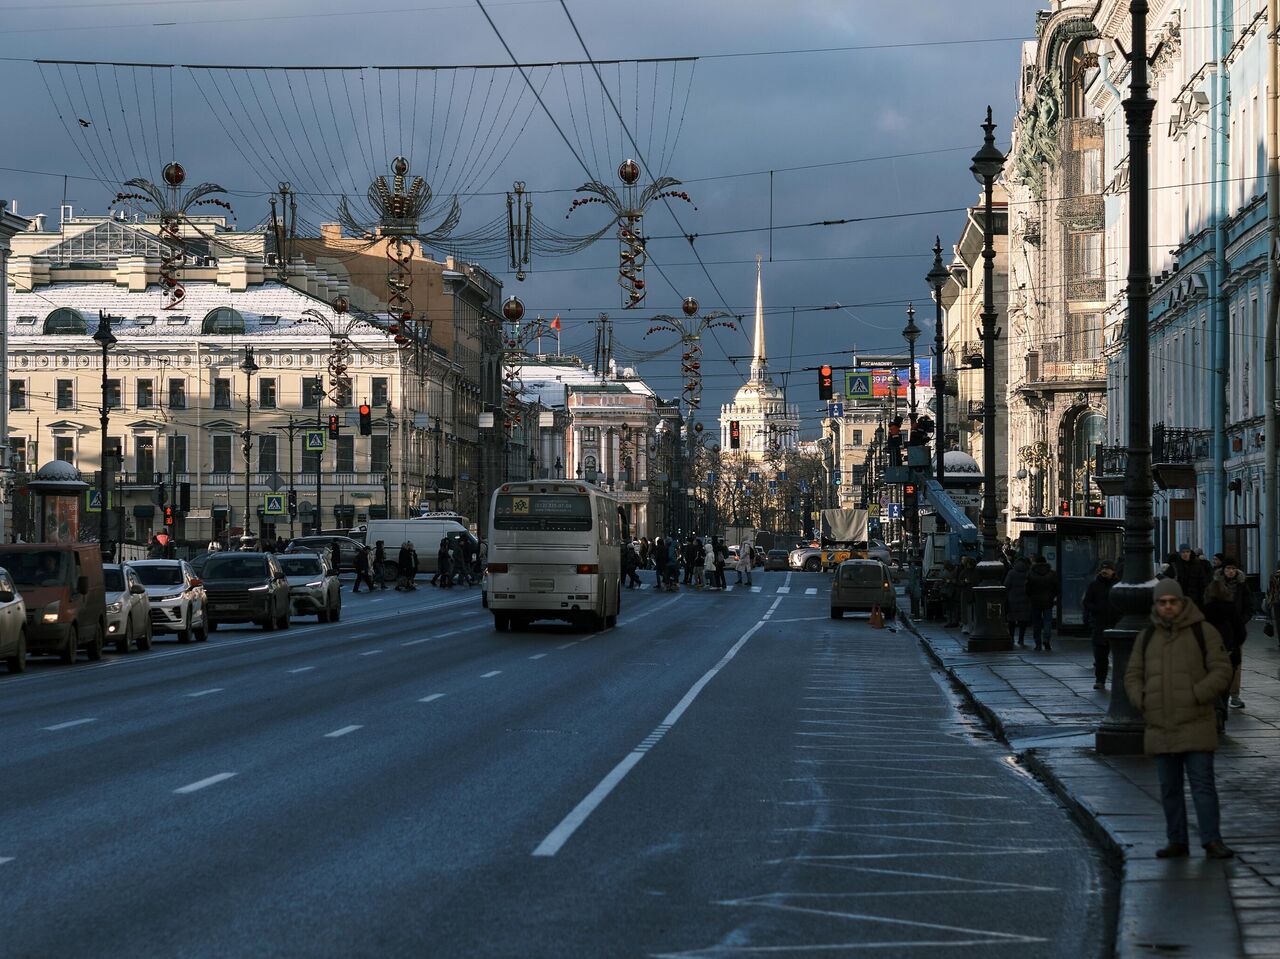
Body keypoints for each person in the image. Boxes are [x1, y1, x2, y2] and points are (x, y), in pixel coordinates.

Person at [1124, 578, 1235, 860]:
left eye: (1173, 602)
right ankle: (1177, 840)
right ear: (1157, 605)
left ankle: (1212, 839)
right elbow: (1132, 675)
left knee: (1203, 786)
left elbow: (1222, 670)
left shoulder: (1203, 631)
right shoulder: (1147, 636)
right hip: (1161, 725)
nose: (1168, 607)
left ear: (1182, 602)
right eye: (1162, 603)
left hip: (1196, 722)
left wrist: (1198, 694)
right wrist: (1143, 699)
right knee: (1169, 789)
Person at [1211, 557, 1254, 710]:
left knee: (1236, 662)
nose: (1231, 571)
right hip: (1220, 630)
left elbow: (1249, 606)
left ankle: (1234, 695)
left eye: (1233, 569)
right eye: (1228, 568)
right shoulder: (1215, 585)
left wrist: (1241, 621)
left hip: (1236, 630)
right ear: (1223, 570)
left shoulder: (1242, 585)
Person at [1081, 561, 1118, 688]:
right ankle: (1100, 680)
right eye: (1103, 569)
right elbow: (1086, 602)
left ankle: (1118, 682)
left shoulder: (1118, 585)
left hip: (1115, 624)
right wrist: (1095, 609)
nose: (1105, 571)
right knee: (1100, 656)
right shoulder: (1094, 585)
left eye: (1108, 569)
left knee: (1118, 656)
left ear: (1113, 571)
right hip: (1099, 624)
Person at [1026, 554, 1058, 651]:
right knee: (1047, 621)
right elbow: (1056, 587)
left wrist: (1030, 596)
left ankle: (1038, 643)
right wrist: (1053, 596)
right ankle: (1047, 639)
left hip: (1035, 601)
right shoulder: (1052, 573)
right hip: (1048, 600)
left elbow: (1027, 589)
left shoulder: (1031, 573)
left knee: (1036, 622)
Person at [1003, 557, 1033, 647]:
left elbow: (1006, 585)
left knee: (1012, 620)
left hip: (1012, 599)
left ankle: (1011, 637)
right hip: (1025, 599)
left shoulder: (1011, 572)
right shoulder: (1028, 573)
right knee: (1023, 620)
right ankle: (1021, 639)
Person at [1266, 562, 1280, 645]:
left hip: (1276, 601)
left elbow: (1270, 590)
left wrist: (1269, 602)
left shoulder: (1273, 576)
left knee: (1278, 622)